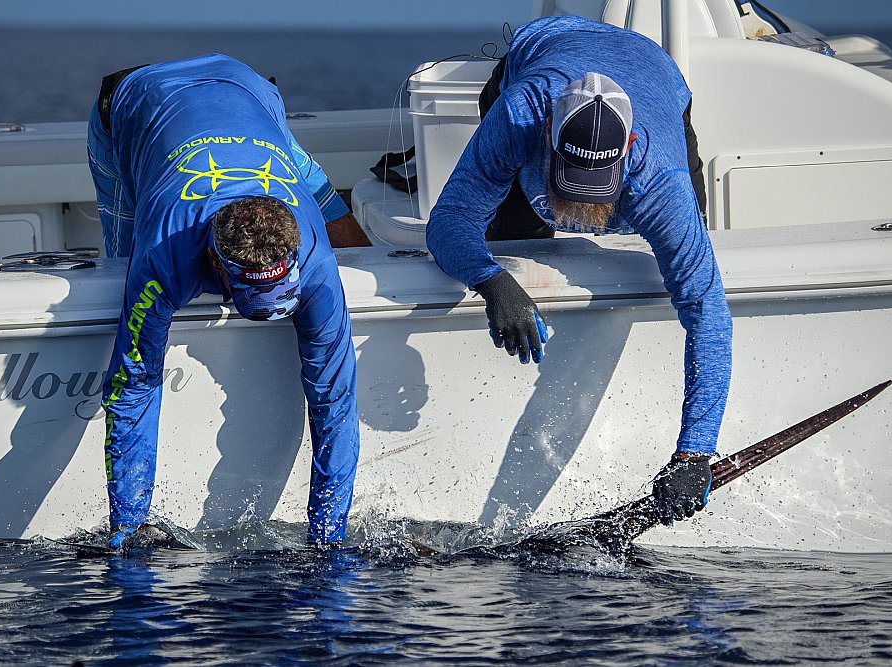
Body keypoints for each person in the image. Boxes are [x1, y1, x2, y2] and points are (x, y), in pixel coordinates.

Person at [425, 16, 732, 526]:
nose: (577, 204)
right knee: (505, 239)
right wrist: (492, 281)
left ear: (629, 148)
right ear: (547, 131)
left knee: (696, 254)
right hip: (540, 47)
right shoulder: (519, 114)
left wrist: (695, 453)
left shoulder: (661, 180)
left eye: (596, 184)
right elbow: (449, 223)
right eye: (571, 180)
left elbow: (707, 310)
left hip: (654, 72)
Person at [87, 53, 370, 549]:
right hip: (135, 103)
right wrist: (128, 530)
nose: (273, 312)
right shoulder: (164, 254)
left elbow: (336, 401)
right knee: (120, 268)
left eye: (283, 293)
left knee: (358, 244)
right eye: (253, 296)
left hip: (251, 94)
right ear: (216, 266)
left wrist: (328, 541)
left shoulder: (315, 262)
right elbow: (134, 386)